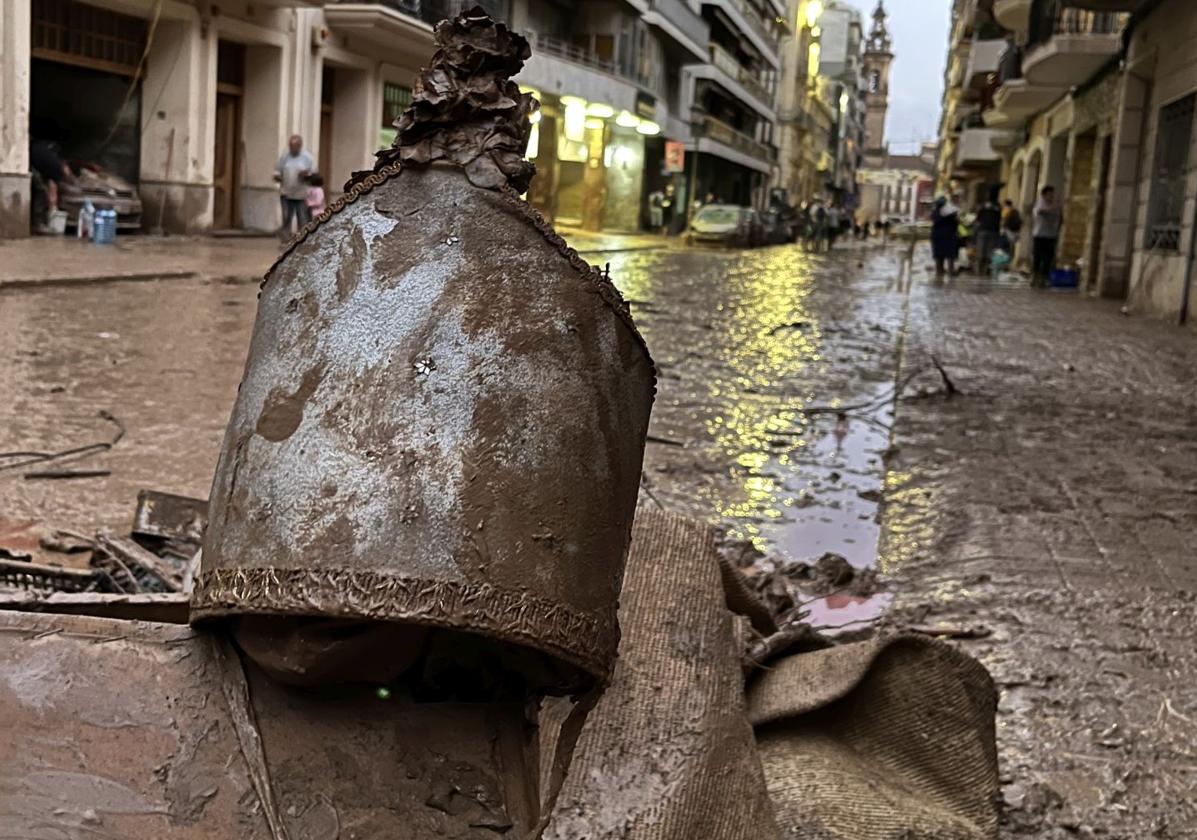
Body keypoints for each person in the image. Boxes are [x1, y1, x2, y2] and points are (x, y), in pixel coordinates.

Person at [275, 134, 315, 240]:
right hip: (286, 193)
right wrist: (278, 177)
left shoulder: (307, 158)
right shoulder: (284, 157)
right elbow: (277, 172)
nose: (293, 149)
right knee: (286, 217)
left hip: (301, 194)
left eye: (295, 146)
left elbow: (314, 175)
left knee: (302, 218)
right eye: (291, 146)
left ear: (300, 146)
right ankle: (285, 240)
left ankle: (303, 240)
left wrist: (306, 175)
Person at [29, 138, 74, 228]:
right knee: (41, 191)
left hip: (32, 151)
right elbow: (52, 191)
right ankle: (38, 224)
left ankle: (36, 222)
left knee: (40, 189)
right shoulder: (56, 170)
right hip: (29, 161)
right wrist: (53, 207)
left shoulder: (56, 159)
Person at [1031, 185, 1062, 287]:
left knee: (1048, 258)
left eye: (1052, 194)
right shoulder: (1039, 204)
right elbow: (1040, 211)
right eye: (1049, 194)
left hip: (1051, 236)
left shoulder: (1055, 206)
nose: (1051, 196)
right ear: (1043, 195)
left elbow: (1059, 219)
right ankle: (1035, 276)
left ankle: (1043, 278)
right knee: (1037, 257)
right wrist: (1053, 207)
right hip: (1039, 235)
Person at [974, 189, 1002, 275]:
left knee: (981, 251)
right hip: (992, 231)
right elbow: (999, 219)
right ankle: (986, 270)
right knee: (989, 252)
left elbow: (978, 218)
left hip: (983, 230)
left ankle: (979, 270)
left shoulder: (983, 206)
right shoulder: (998, 206)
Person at [930, 196, 960, 279]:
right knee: (950, 256)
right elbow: (956, 224)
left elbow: (934, 220)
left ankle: (939, 275)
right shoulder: (952, 213)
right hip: (949, 237)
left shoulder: (936, 212)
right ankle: (950, 274)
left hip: (938, 237)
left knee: (939, 258)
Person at [1002, 199, 1023, 265]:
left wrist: (1003, 228)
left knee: (1006, 247)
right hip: (1015, 231)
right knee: (1012, 246)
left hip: (1008, 231)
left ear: (1006, 204)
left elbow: (1004, 220)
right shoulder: (1015, 211)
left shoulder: (1006, 210)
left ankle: (1006, 261)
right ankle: (1010, 261)